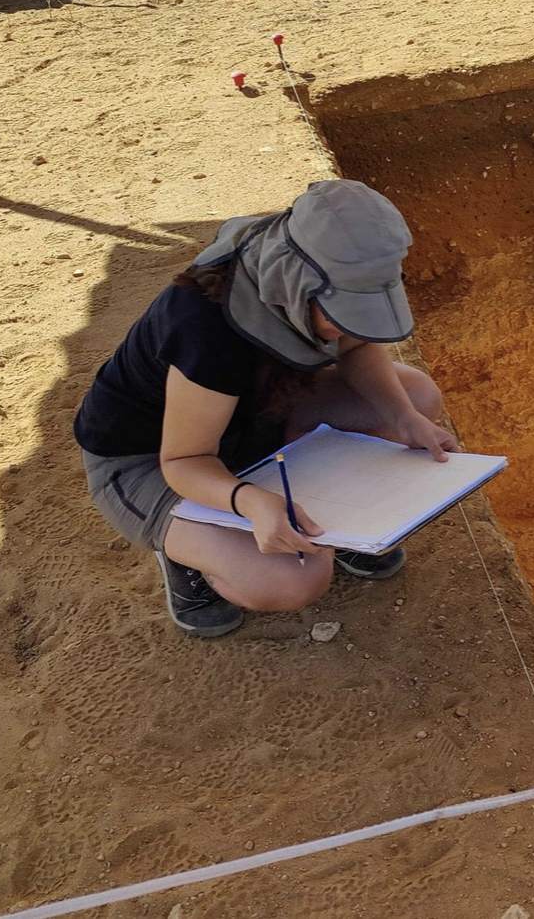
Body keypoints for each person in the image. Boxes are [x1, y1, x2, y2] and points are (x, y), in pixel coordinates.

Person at [73, 180, 459, 639]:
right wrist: (250, 501)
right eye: (345, 312)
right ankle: (187, 552)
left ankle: (345, 527)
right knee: (290, 578)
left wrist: (402, 418)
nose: (350, 327)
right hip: (155, 460)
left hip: (255, 418)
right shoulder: (207, 330)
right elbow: (185, 459)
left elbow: (356, 348)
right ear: (296, 285)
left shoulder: (306, 275)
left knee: (415, 399)